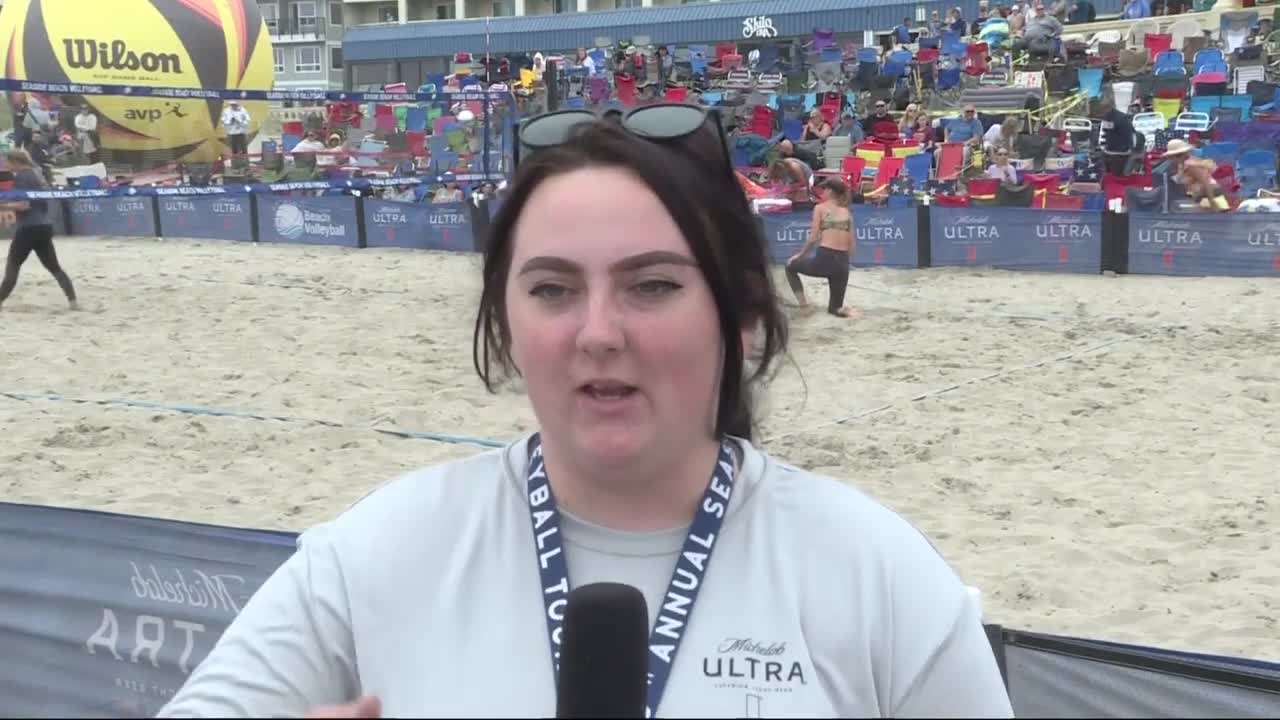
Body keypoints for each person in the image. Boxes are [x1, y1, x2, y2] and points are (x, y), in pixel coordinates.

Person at [155, 108, 1013, 718]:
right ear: (506, 321)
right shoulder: (370, 556)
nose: (598, 333)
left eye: (652, 285)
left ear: (742, 314)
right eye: (554, 289)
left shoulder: (882, 579)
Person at [0, 150, 77, 311]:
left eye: (7, 162)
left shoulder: (21, 176)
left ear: (16, 162)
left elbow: (24, 205)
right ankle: (73, 301)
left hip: (28, 227)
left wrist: (3, 205)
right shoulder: (37, 173)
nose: (6, 165)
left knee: (13, 265)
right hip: (44, 226)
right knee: (54, 267)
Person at [785, 177, 860, 319]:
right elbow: (852, 247)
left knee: (790, 266)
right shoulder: (847, 212)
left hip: (825, 259)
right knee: (835, 309)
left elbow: (813, 238)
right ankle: (851, 313)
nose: (822, 192)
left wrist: (799, 255)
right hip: (843, 264)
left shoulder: (820, 208)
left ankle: (804, 306)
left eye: (824, 189)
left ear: (830, 191)